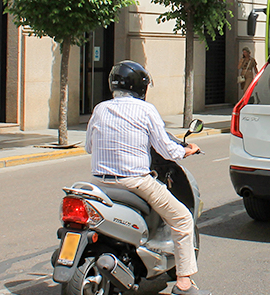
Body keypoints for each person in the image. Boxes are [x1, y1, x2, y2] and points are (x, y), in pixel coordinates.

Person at [85, 61, 209, 295]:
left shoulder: (100, 108)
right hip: (135, 182)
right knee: (182, 219)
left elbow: (89, 147)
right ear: (141, 87)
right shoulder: (146, 110)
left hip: (100, 183)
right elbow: (167, 150)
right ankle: (184, 284)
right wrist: (188, 150)